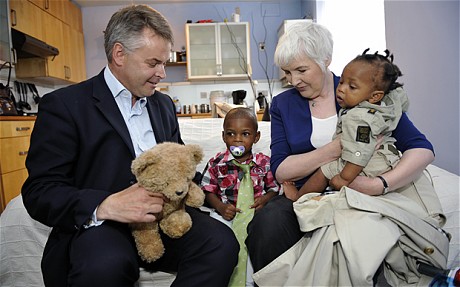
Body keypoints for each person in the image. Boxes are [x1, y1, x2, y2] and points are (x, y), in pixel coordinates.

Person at [21, 5, 238, 287]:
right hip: (104, 225)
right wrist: (106, 205)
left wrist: (221, 185)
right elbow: (40, 191)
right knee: (104, 267)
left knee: (221, 243)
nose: (162, 73)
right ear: (119, 54)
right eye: (153, 63)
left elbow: (180, 167)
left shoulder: (163, 105)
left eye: (165, 62)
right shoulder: (65, 105)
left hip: (165, 220)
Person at [246, 21, 447, 285]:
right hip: (307, 193)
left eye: (301, 70)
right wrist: (336, 149)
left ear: (326, 60)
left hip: (366, 191)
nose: (294, 80)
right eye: (287, 72)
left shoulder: (364, 87)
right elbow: (281, 169)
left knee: (364, 239)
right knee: (266, 225)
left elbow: (422, 149)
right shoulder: (283, 104)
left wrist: (379, 185)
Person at [283, 49, 409, 201]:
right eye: (342, 82)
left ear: (375, 96)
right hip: (387, 159)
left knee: (325, 171)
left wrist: (344, 178)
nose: (341, 89)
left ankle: (299, 198)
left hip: (366, 163)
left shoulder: (357, 117)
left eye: (352, 87)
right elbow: (401, 99)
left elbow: (359, 152)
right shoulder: (387, 106)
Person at [201, 107, 280, 287]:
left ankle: (249, 282)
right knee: (219, 241)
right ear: (223, 136)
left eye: (245, 134)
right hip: (225, 214)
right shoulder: (216, 163)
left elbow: (274, 188)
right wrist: (220, 207)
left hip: (254, 216)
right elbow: (206, 189)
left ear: (256, 137)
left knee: (257, 242)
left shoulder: (265, 163)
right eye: (231, 134)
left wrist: (265, 199)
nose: (237, 139)